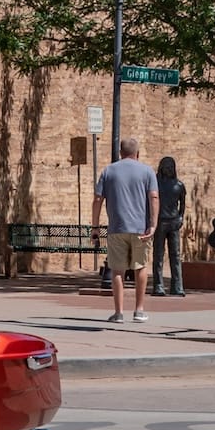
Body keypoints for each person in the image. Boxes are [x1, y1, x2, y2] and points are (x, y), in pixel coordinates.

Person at [91, 137, 158, 323]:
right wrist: (153, 224)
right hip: (141, 229)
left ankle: (118, 312)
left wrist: (95, 227)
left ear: (120, 153)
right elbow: (154, 197)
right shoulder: (147, 172)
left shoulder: (108, 171)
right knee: (141, 267)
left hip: (117, 227)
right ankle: (139, 310)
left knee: (117, 270)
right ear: (138, 153)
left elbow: (97, 200)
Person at [150, 155, 187, 298]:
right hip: (160, 222)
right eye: (166, 167)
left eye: (171, 167)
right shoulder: (156, 184)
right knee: (158, 255)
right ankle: (158, 285)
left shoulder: (179, 185)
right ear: (161, 168)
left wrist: (181, 217)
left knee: (176, 256)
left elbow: (182, 204)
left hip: (173, 222)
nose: (168, 170)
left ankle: (177, 286)